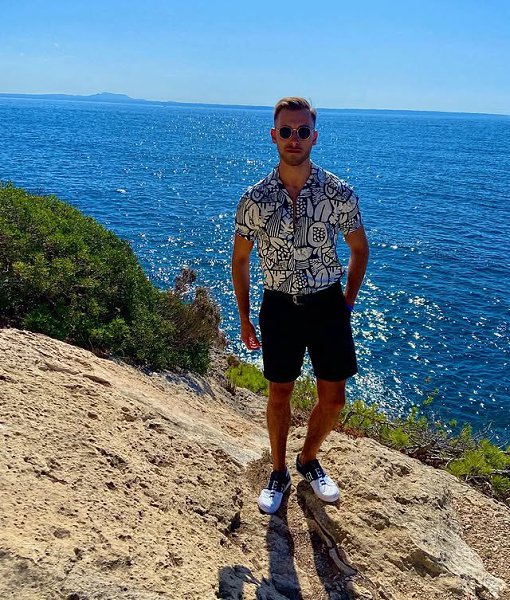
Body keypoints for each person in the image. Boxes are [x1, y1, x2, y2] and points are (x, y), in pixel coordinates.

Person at [231, 97, 369, 514]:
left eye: (303, 131)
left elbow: (359, 250)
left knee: (334, 399)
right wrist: (244, 317)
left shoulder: (338, 192)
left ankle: (308, 459)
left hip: (327, 303)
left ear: (314, 137)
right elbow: (240, 260)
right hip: (279, 306)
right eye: (287, 131)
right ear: (274, 136)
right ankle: (278, 472)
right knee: (279, 393)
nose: (295, 138)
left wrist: (346, 304)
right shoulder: (255, 198)